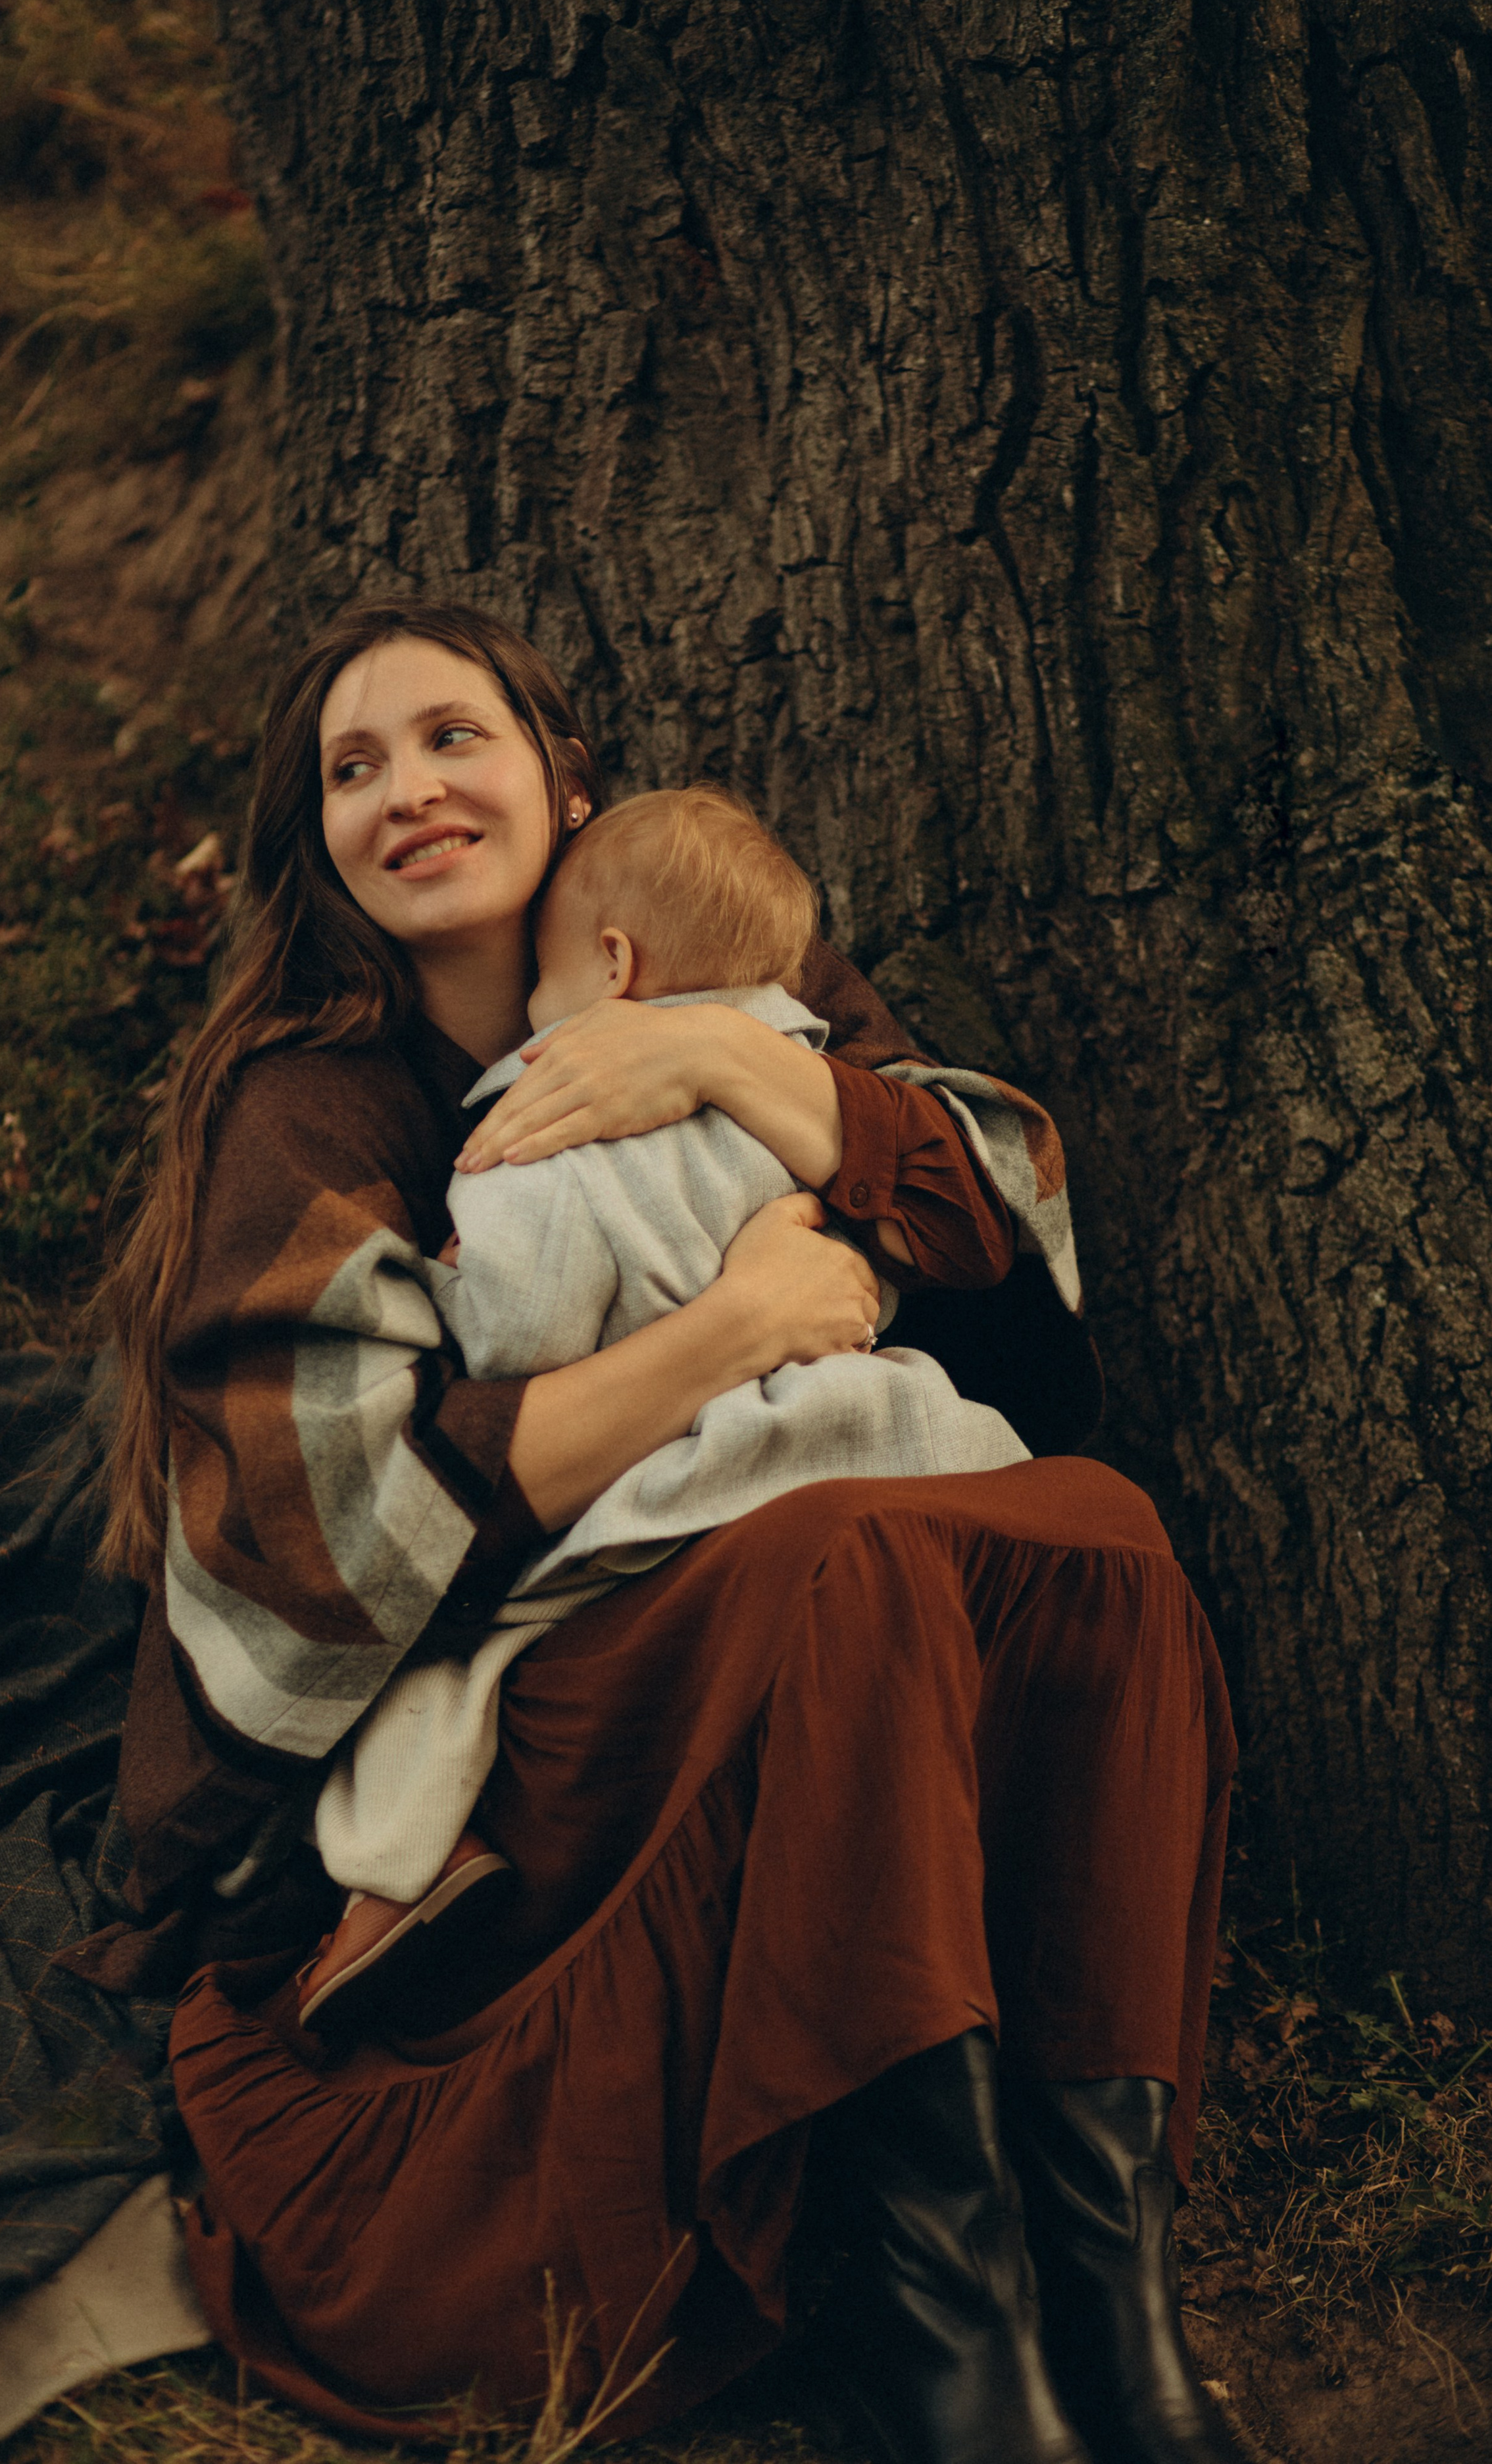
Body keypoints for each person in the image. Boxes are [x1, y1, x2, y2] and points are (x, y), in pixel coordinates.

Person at [85, 596, 1241, 2464]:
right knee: (851, 1567)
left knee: (1097, 1529)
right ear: (324, 848)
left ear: (562, 779)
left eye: (452, 737)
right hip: (532, 1734)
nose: (410, 792)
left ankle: (1115, 2306)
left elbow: (1002, 1211)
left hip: (792, 1605)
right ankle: (943, 2339)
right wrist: (734, 1331)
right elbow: (317, 1544)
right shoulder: (310, 1106)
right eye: (353, 769)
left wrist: (714, 1068)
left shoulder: (728, 969)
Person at [299, 785, 1033, 2033]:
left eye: (543, 977)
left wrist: (456, 1284)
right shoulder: (807, 1091)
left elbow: (521, 1344)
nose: (534, 1011)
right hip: (891, 1434)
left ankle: (396, 1875)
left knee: (453, 1653)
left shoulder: (551, 1120)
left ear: (613, 967)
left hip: (696, 1480)